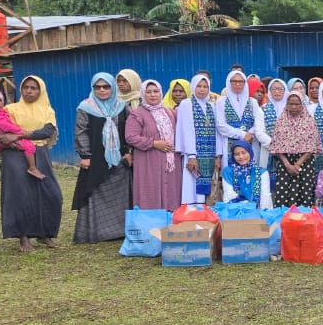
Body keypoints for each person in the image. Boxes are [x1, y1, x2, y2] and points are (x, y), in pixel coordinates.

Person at [1, 75, 64, 252]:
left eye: (33, 88)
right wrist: (17, 139)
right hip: (15, 154)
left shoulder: (47, 110)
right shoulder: (10, 109)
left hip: (40, 153)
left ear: (41, 90)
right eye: (26, 87)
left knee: (51, 193)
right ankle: (23, 238)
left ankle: (44, 233)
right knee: (20, 195)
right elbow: (3, 131)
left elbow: (46, 131)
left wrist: (21, 134)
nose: (29, 91)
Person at [72, 72, 132, 244]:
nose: (102, 90)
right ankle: (98, 233)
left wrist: (128, 151)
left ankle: (119, 231)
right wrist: (85, 155)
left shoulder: (121, 106)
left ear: (112, 88)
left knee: (119, 195)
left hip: (119, 159)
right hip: (95, 158)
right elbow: (80, 131)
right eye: (98, 87)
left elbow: (127, 130)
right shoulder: (85, 107)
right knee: (95, 192)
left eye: (106, 87)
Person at [125, 79, 182, 211]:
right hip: (149, 162)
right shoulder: (138, 114)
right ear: (143, 94)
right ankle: (150, 224)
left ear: (161, 93)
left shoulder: (169, 112)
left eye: (156, 91)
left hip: (171, 162)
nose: (152, 95)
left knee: (171, 192)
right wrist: (154, 143)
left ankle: (169, 223)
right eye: (148, 92)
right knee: (150, 192)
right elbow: (130, 137)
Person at [268, 91, 323, 207]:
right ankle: (283, 221)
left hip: (305, 162)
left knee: (304, 194)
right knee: (283, 195)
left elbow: (312, 145)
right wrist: (288, 165)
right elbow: (276, 146)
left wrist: (297, 164)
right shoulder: (281, 121)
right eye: (291, 104)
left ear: (302, 104)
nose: (293, 107)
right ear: (286, 104)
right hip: (284, 163)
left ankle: (303, 222)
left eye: (297, 104)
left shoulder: (309, 121)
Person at [0, 85, 44, 180]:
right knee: (29, 146)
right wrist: (20, 131)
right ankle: (32, 168)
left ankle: (5, 173)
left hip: (6, 138)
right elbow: (5, 125)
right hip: (1, 140)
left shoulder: (2, 111)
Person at [175, 74, 222, 205]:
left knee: (208, 189)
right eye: (199, 86)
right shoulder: (186, 104)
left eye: (205, 86)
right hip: (194, 154)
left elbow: (217, 131)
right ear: (193, 87)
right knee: (192, 188)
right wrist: (191, 155)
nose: (202, 89)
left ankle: (205, 213)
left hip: (210, 155)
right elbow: (187, 130)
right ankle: (193, 214)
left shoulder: (211, 107)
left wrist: (218, 156)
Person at [221, 141, 273, 208]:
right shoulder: (228, 171)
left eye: (243, 153)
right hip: (235, 210)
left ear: (250, 152)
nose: (241, 157)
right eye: (237, 154)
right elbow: (229, 194)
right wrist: (247, 208)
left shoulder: (262, 172)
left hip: (257, 212)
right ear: (233, 156)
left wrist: (264, 214)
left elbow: (265, 196)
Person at [256, 78, 287, 179]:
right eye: (274, 89)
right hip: (268, 151)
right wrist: (276, 146)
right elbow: (259, 132)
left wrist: (285, 146)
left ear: (285, 90)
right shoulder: (263, 109)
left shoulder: (291, 108)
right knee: (268, 185)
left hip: (289, 152)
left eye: (280, 89)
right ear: (269, 91)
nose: (277, 91)